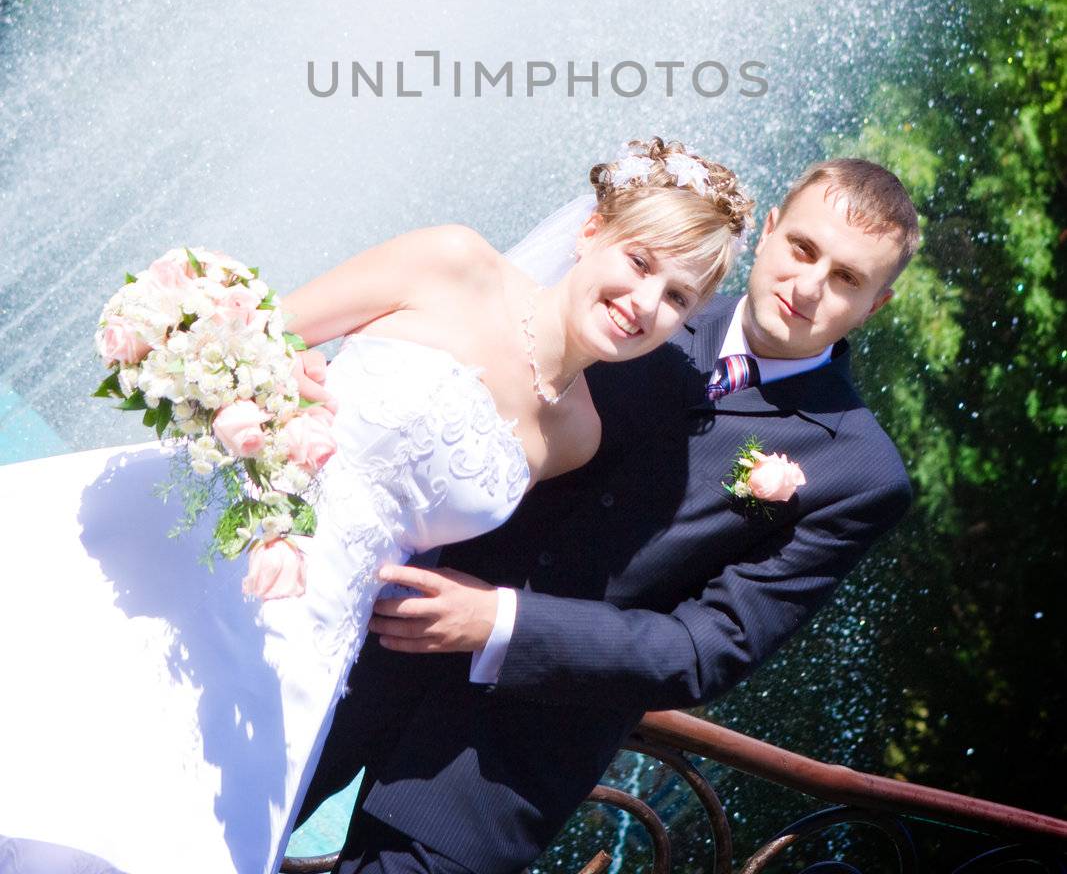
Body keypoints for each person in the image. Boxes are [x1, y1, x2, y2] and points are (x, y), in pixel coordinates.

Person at [0, 138, 751, 874]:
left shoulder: (578, 436)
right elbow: (251, 347)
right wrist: (268, 435)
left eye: (678, 296)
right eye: (640, 262)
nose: (645, 302)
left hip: (306, 649)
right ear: (593, 232)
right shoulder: (453, 264)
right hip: (201, 551)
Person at [295, 156, 918, 874]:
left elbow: (706, 648)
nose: (808, 286)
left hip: (493, 771)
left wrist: (502, 624)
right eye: (803, 249)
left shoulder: (861, 473)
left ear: (876, 305)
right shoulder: (625, 300)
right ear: (770, 231)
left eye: (846, 279)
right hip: (351, 654)